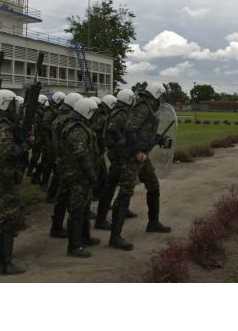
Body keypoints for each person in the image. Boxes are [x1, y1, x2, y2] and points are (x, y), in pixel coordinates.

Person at [110, 82, 172, 251]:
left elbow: (144, 133)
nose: (162, 100)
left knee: (153, 185)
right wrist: (137, 152)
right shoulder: (143, 107)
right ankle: (114, 236)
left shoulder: (148, 108)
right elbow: (129, 130)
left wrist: (160, 140)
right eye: (161, 97)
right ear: (156, 95)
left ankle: (153, 222)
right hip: (133, 156)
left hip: (142, 155)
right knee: (125, 193)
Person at [0, 88, 32, 275]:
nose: (15, 108)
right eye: (13, 104)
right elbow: (8, 151)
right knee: (7, 219)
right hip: (5, 178)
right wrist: (25, 144)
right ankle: (5, 264)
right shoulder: (3, 127)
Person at [59, 97, 100, 257]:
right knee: (77, 210)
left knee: (83, 207)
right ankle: (74, 246)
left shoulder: (82, 127)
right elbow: (81, 155)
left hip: (82, 176)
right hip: (77, 175)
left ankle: (85, 237)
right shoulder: (77, 130)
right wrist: (91, 174)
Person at [95, 89, 135, 230]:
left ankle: (120, 210)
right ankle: (101, 219)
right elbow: (112, 128)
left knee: (119, 184)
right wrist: (123, 141)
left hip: (116, 154)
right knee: (111, 186)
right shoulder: (121, 113)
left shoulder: (118, 111)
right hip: (117, 155)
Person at [49, 91, 83, 239]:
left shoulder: (59, 118)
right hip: (68, 162)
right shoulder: (67, 120)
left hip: (60, 160)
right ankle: (70, 231)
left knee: (63, 194)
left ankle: (56, 226)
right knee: (69, 195)